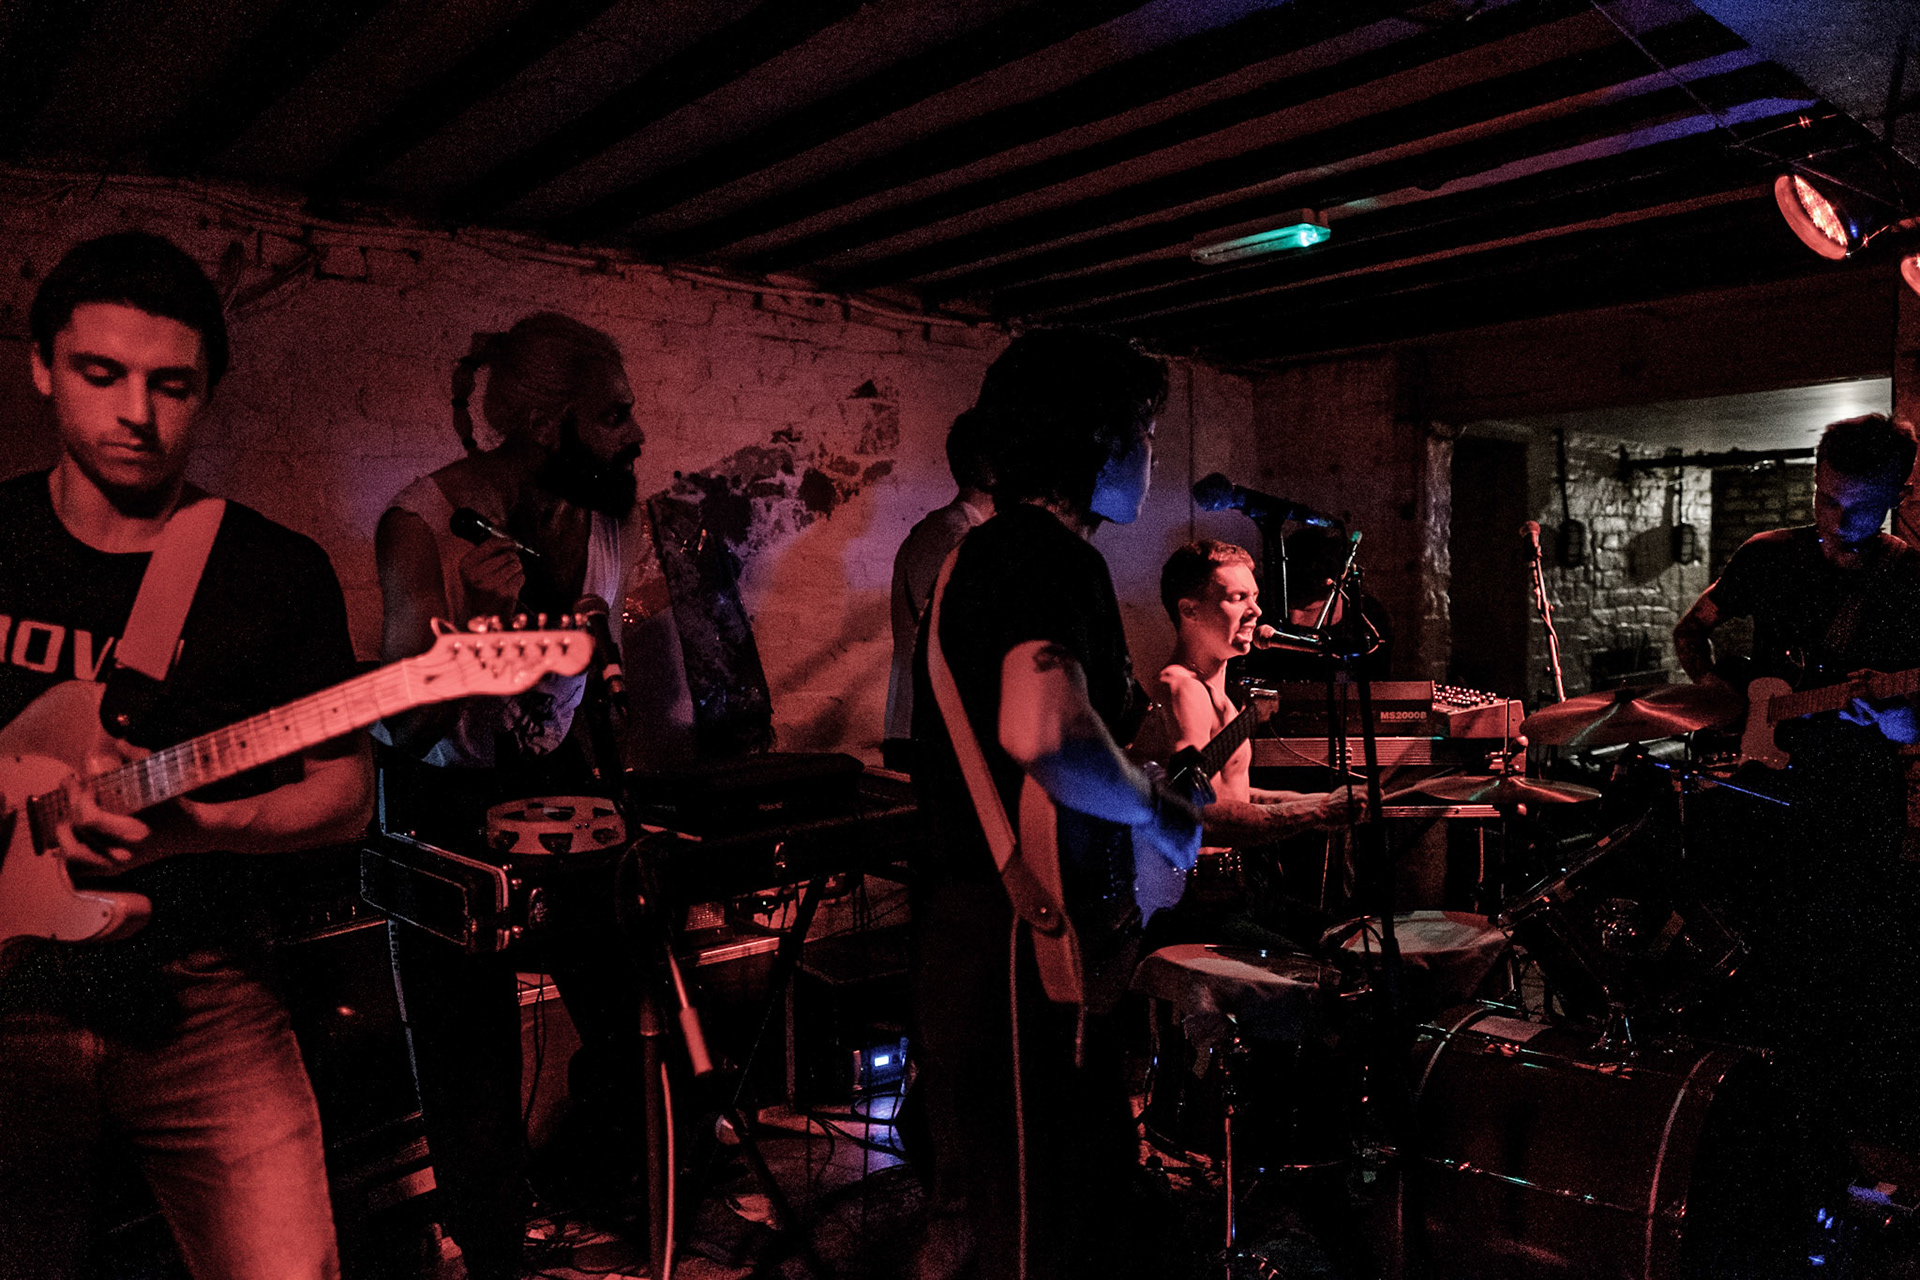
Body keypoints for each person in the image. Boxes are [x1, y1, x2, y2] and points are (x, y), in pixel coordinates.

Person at [0, 231, 373, 1279]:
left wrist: (203, 826)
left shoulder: (273, 570)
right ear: (41, 366)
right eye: (100, 373)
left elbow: (345, 795)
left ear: (206, 390)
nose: (137, 412)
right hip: (13, 995)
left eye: (173, 384)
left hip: (204, 988)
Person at [908, 328, 1201, 1280]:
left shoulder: (995, 554)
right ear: (1099, 440)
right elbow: (1047, 734)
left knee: (1047, 1204)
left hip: (996, 931)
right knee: (1041, 1223)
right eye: (1146, 432)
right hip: (1014, 942)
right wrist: (1157, 810)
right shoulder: (1041, 557)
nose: (1151, 457)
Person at [374, 313, 649, 1280]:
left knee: (635, 1009)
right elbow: (395, 729)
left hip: (565, 790)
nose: (635, 435)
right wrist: (475, 637)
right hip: (442, 806)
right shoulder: (420, 525)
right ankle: (491, 1249)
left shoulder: (610, 516)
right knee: (467, 1061)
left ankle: (595, 1185)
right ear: (544, 423)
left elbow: (583, 688)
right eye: (613, 415)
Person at [1672, 412, 1920, 1146]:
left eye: (1857, 507)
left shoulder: (1911, 581)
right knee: (1749, 959)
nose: (1834, 520)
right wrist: (1719, 698)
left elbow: (1914, 733)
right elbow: (1694, 629)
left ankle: (1828, 1137)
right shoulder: (1768, 555)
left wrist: (1886, 716)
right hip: (1760, 793)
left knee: (1843, 979)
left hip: (1855, 809)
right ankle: (1734, 1109)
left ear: (1899, 495)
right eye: (1823, 498)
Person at [1128, 541, 1364, 944]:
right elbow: (1201, 814)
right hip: (1194, 904)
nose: (1256, 612)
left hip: (1238, 887)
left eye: (1254, 597)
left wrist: (1313, 803)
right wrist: (1318, 812)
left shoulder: (1225, 698)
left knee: (1352, 938)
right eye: (1238, 598)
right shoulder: (1180, 688)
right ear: (1189, 610)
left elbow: (1233, 794)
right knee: (1326, 965)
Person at [882, 409, 993, 772]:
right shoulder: (966, 537)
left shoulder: (924, 531)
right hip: (937, 732)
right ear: (992, 470)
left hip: (908, 722)